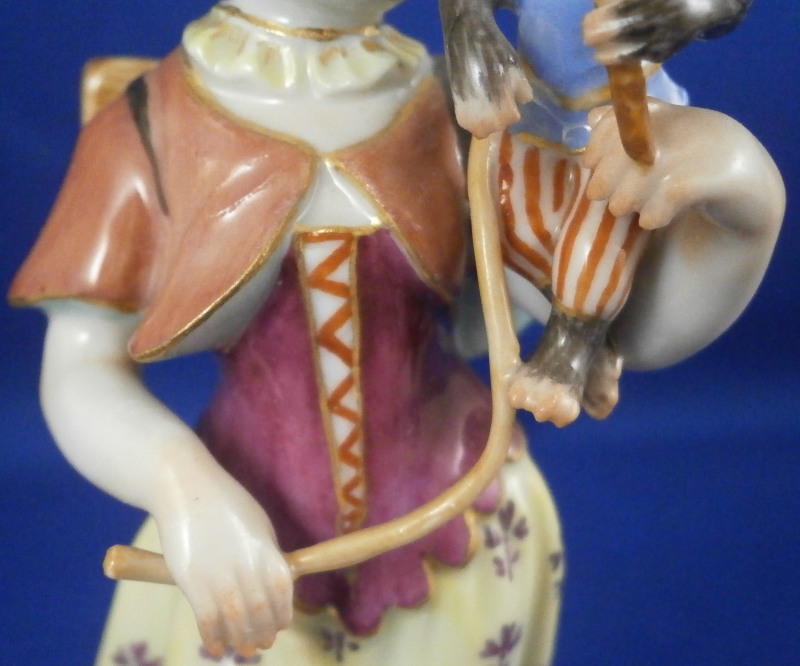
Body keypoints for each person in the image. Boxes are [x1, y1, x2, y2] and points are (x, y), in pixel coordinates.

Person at [9, 2, 563, 664]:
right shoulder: (150, 123)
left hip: (467, 522)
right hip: (236, 556)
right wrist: (186, 492)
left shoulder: (469, 107)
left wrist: (673, 151)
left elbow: (610, 321)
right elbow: (82, 367)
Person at [441, 0, 779, 427]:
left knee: (605, 222)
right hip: (533, 116)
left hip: (621, 124)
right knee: (515, 226)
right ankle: (594, 343)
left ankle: (569, 349)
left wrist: (684, 10)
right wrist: (469, 23)